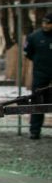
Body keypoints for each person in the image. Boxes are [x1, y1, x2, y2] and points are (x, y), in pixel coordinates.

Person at [24, 12, 52, 140]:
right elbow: (29, 54)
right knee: (37, 102)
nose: (45, 25)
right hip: (41, 75)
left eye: (48, 23)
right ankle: (35, 130)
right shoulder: (34, 37)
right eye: (44, 22)